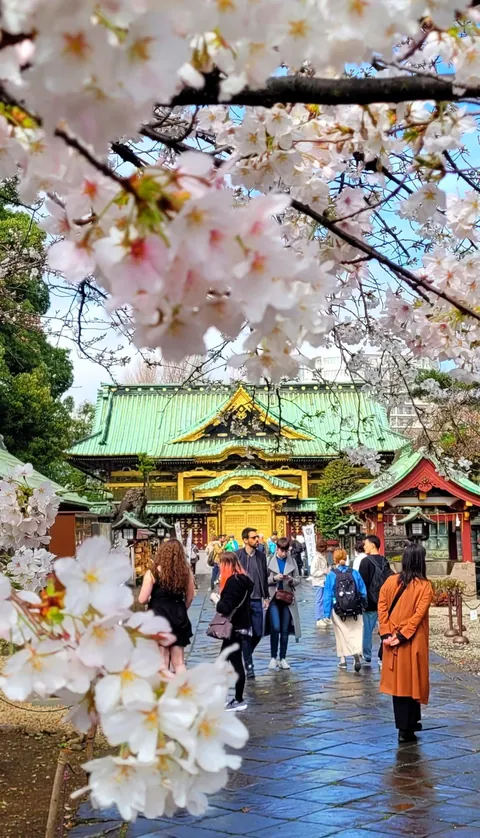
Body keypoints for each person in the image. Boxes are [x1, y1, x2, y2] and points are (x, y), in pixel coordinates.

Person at [378, 543, 433, 743]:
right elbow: (418, 616)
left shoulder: (391, 581)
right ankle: (406, 727)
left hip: (392, 640)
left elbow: (382, 606)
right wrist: (402, 635)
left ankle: (407, 724)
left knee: (399, 685)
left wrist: (386, 633)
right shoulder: (424, 586)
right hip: (412, 640)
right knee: (412, 681)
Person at [139, 538, 195, 674]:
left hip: (158, 616)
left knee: (162, 661)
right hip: (178, 614)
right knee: (179, 662)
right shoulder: (185, 572)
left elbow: (142, 599)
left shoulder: (152, 573)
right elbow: (190, 596)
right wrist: (182, 609)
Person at [210, 552, 254, 712]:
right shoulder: (244, 579)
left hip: (234, 627)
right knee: (226, 660)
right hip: (242, 624)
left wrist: (216, 599)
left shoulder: (232, 583)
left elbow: (225, 607)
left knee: (233, 662)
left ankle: (238, 698)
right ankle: (230, 697)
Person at [323, 548, 367, 672]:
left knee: (341, 633)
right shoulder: (354, 573)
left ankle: (343, 660)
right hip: (355, 608)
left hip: (339, 609)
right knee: (356, 632)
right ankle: (356, 654)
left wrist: (326, 613)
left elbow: (327, 595)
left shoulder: (332, 574)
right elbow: (362, 590)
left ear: (335, 560)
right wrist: (363, 602)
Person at [237, 526, 269, 680]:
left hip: (257, 598)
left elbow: (263, 576)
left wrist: (266, 596)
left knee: (257, 632)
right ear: (245, 540)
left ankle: (246, 653)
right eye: (253, 538)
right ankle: (249, 665)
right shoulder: (237, 556)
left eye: (257, 537)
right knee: (244, 634)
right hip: (242, 600)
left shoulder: (261, 556)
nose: (257, 540)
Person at [266, 536, 301, 669]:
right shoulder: (269, 560)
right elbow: (264, 579)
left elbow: (298, 579)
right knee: (275, 627)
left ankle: (283, 657)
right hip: (274, 597)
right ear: (277, 548)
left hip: (287, 598)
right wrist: (274, 578)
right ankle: (273, 657)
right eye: (281, 550)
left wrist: (291, 580)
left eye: (286, 550)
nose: (284, 553)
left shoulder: (292, 561)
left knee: (285, 629)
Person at [359, 534, 394, 664]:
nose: (364, 546)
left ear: (373, 545)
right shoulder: (385, 560)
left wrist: (362, 601)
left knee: (367, 630)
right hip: (385, 601)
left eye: (366, 544)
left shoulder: (365, 562)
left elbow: (362, 584)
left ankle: (367, 655)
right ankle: (382, 656)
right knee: (385, 629)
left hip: (370, 602)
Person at [311, 537, 329, 627]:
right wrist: (324, 572)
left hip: (323, 581)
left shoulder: (321, 556)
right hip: (319, 581)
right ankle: (318, 618)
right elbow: (313, 572)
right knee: (319, 600)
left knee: (323, 600)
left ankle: (323, 617)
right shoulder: (317, 558)